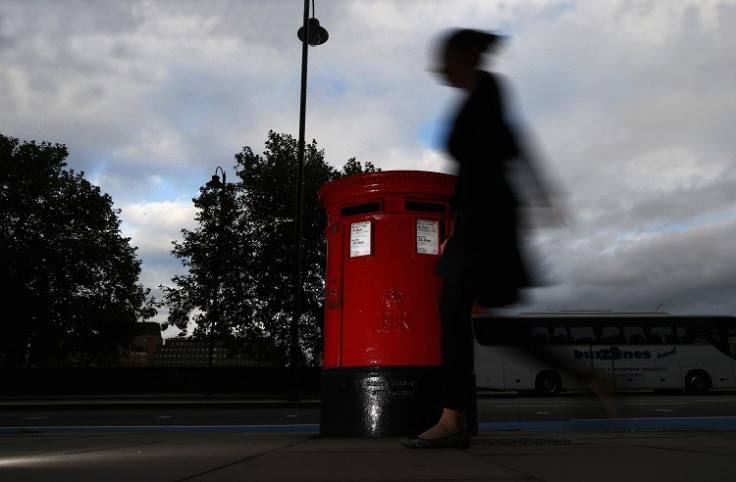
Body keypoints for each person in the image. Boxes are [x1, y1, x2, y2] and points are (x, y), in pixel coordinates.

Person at [401, 28, 555, 449]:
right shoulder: (475, 95)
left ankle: (453, 421)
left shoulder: (489, 89)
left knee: (455, 311)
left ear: (467, 55)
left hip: (490, 218)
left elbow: (511, 146)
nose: (439, 69)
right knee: (485, 319)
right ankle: (590, 377)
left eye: (446, 59)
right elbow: (472, 170)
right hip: (476, 220)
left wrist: (545, 192)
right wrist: (453, 228)